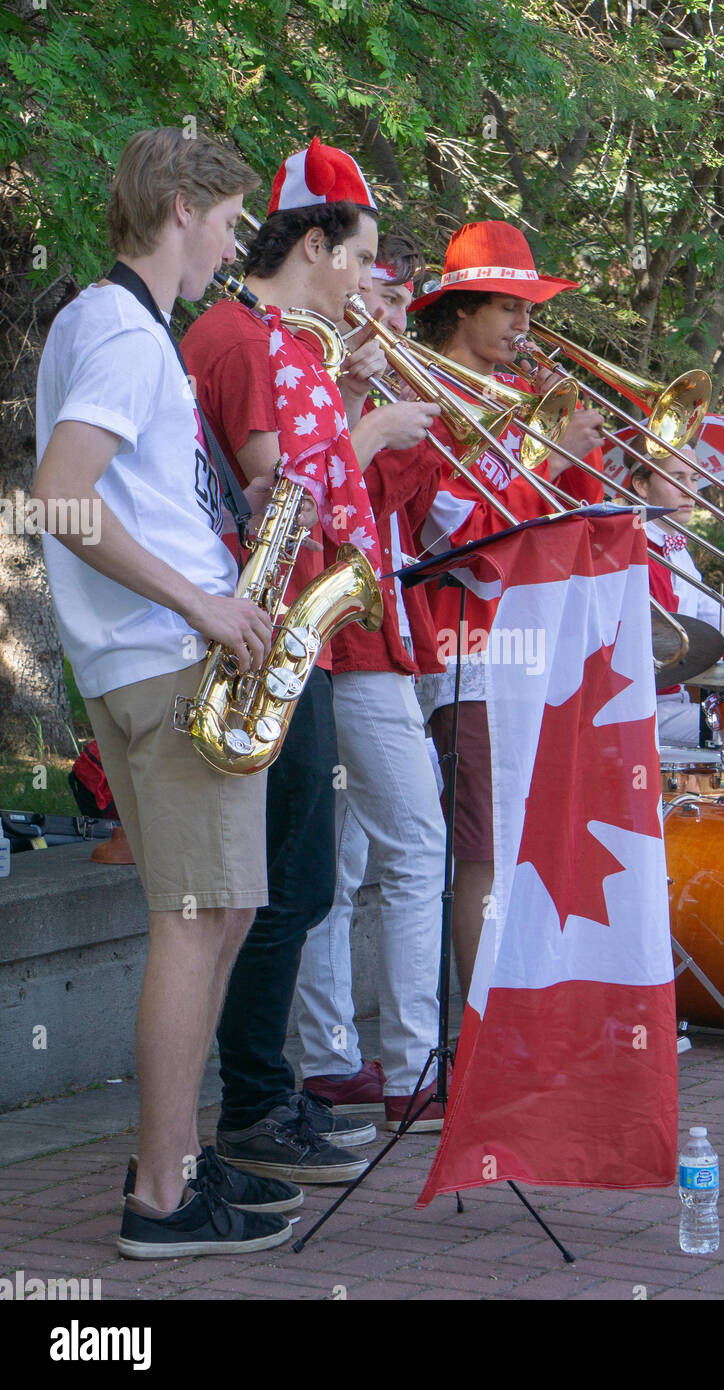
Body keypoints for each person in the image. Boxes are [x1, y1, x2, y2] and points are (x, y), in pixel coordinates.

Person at [33, 127, 299, 1258]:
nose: (237, 240)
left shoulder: (114, 327)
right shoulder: (124, 333)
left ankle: (176, 1167)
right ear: (182, 204)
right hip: (170, 661)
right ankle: (160, 1195)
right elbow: (62, 499)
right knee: (197, 923)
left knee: (221, 912)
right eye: (230, 215)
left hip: (152, 662)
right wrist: (208, 609)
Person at [181, 138, 413, 1183]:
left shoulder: (293, 341)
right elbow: (278, 489)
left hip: (300, 627)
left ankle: (271, 1093)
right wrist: (369, 432)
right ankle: (254, 1105)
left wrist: (350, 396)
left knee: (303, 878)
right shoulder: (237, 335)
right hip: (265, 628)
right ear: (314, 244)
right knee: (280, 881)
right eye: (358, 258)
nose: (366, 281)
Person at [407, 221, 606, 1000]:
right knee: (483, 852)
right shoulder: (425, 394)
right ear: (463, 310)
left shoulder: (521, 397)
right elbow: (451, 534)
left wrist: (579, 457)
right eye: (511, 309)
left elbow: (564, 526)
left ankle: (523, 1003)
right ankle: (481, 1024)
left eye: (529, 311)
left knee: (528, 842)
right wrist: (549, 459)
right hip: (467, 654)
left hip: (534, 646)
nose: (526, 327)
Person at [296, 235, 451, 1131]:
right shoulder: (308, 367)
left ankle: (331, 1061)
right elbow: (313, 495)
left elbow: (425, 518)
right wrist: (368, 417)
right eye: (381, 297)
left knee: (347, 863)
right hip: (349, 639)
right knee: (416, 848)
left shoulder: (354, 381)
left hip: (374, 635)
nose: (393, 320)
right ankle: (412, 1069)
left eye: (398, 306)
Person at [629, 445, 724, 746]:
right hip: (638, 709)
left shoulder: (680, 553)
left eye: (695, 479)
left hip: (676, 701)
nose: (691, 492)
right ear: (642, 485)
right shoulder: (629, 551)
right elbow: (666, 651)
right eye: (677, 478)